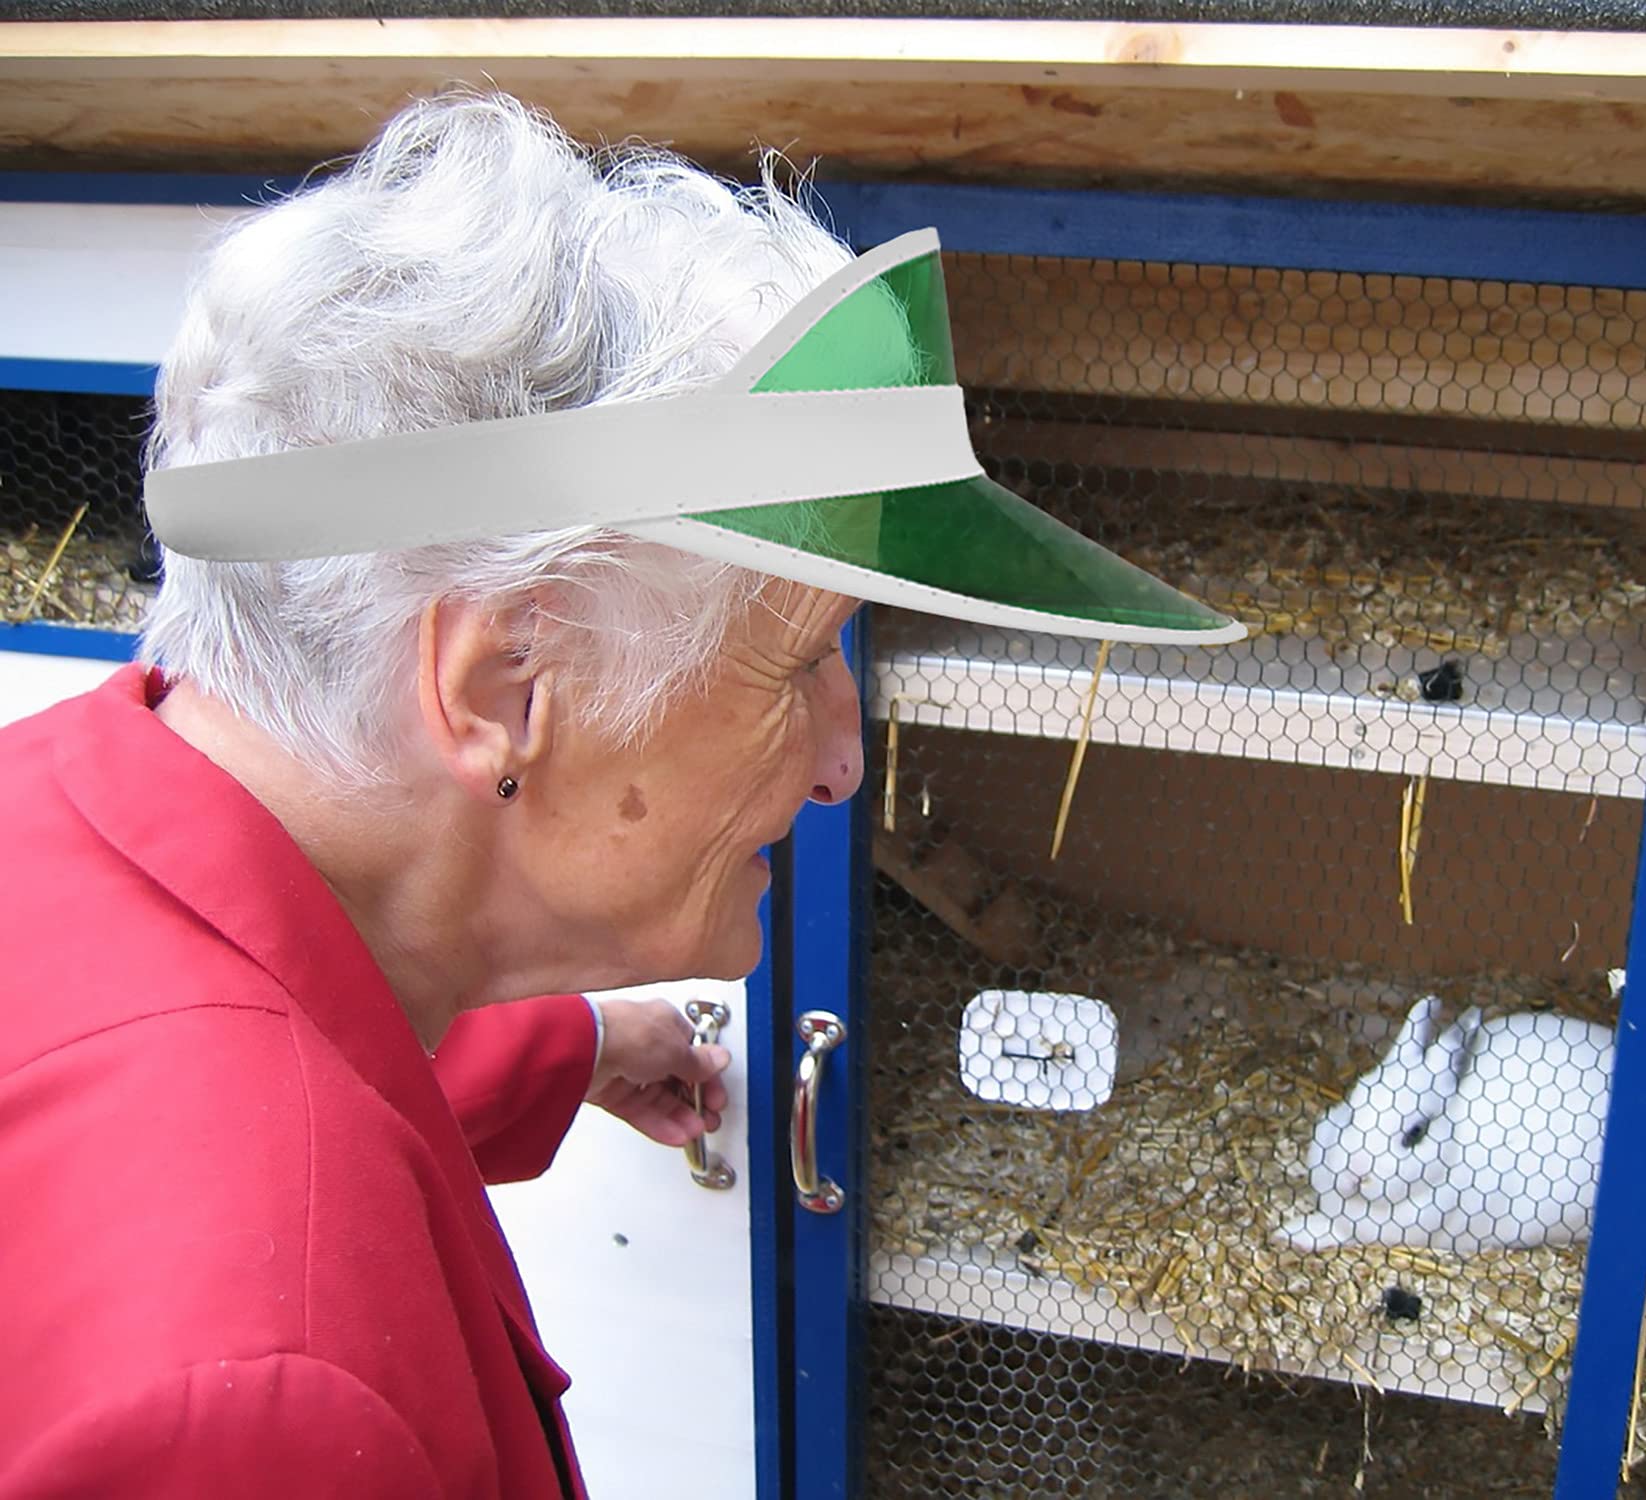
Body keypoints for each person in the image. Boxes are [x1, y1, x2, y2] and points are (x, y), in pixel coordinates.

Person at [0, 93, 1237, 1497]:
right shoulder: (261, 1413)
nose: (842, 763)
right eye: (795, 667)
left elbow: (251, 1036)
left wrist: (572, 1047)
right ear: (502, 685)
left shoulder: (63, 816)